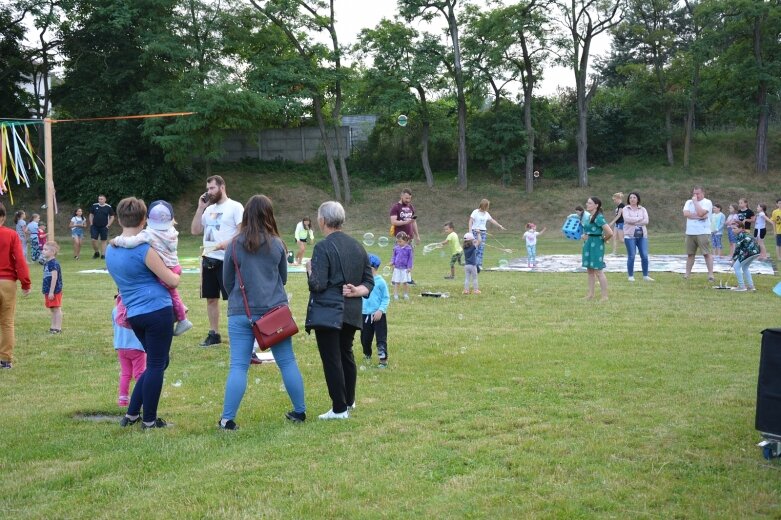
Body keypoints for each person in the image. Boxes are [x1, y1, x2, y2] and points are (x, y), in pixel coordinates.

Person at [219, 194, 306, 430]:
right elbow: (283, 279)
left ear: (246, 214)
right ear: (270, 215)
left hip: (240, 312)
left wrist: (238, 298)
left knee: (238, 366)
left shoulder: (234, 244)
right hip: (273, 314)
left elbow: (226, 282)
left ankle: (227, 419)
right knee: (287, 362)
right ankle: (300, 411)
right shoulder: (277, 244)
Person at [106, 197, 180, 429]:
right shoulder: (144, 249)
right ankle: (149, 420)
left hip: (134, 314)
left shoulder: (111, 248)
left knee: (158, 362)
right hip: (157, 311)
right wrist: (177, 273)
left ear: (118, 219)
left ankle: (131, 414)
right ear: (144, 219)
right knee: (157, 364)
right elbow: (172, 281)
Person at [305, 201, 373, 420]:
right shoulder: (358, 246)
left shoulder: (323, 247)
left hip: (329, 311)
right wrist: (356, 291)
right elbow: (368, 282)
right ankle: (349, 401)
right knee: (346, 352)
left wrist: (310, 270)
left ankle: (339, 408)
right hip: (352, 309)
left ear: (323, 220)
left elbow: (318, 284)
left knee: (332, 357)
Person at [112, 200, 193, 336]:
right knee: (171, 291)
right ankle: (180, 309)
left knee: (170, 291)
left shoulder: (148, 235)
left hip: (166, 269)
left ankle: (182, 317)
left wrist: (116, 240)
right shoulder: (172, 232)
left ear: (147, 219)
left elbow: (131, 242)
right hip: (174, 266)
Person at [190, 175, 244, 347]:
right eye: (207, 189)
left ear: (222, 187)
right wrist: (200, 208)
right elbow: (195, 230)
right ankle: (214, 334)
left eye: (212, 188)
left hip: (227, 260)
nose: (209, 192)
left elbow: (241, 232)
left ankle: (238, 333)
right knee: (211, 298)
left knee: (233, 298)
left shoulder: (235, 207)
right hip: (208, 258)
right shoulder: (208, 209)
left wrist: (226, 244)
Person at [0, 203, 32, 369]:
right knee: (6, 322)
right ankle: (5, 359)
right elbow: (20, 260)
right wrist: (25, 282)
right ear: (4, 217)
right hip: (6, 282)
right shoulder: (11, 235)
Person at [113, 296, 146, 407]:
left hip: (121, 346)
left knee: (125, 374)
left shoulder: (116, 310)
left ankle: (123, 400)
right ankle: (141, 399)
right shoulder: (137, 309)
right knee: (139, 374)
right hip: (137, 347)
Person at [361, 254, 390, 368]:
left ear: (371, 268)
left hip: (378, 315)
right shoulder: (362, 281)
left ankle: (383, 360)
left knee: (381, 339)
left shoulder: (380, 282)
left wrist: (380, 310)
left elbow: (386, 298)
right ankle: (367, 354)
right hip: (364, 314)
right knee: (365, 338)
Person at [582, 197, 613, 301]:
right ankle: (590, 294)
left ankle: (605, 296)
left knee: (598, 271)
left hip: (596, 244)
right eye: (587, 202)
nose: (587, 204)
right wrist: (585, 235)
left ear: (596, 205)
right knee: (590, 270)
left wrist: (603, 240)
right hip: (588, 244)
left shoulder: (599, 217)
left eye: (589, 203)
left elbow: (610, 232)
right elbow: (588, 230)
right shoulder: (588, 217)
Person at [682, 186, 715, 281]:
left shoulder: (707, 202)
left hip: (703, 232)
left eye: (697, 193)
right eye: (694, 193)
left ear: (702, 193)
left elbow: (701, 213)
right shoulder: (688, 202)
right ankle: (687, 274)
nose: (695, 195)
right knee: (690, 254)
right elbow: (686, 214)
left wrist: (696, 203)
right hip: (690, 232)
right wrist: (699, 217)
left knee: (706, 253)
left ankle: (710, 274)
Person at [622, 192, 653, 282]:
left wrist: (634, 222)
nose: (632, 199)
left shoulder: (642, 209)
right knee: (631, 255)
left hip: (642, 235)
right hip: (629, 235)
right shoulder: (625, 209)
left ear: (638, 199)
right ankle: (631, 276)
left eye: (634, 197)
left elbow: (646, 221)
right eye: (630, 197)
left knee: (644, 255)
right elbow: (627, 219)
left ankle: (645, 276)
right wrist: (639, 219)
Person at [468, 199, 506, 271]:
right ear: (483, 205)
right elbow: (470, 221)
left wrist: (499, 226)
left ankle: (479, 265)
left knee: (481, 249)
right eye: (487, 205)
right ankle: (473, 264)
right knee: (475, 249)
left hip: (483, 233)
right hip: (475, 232)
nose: (488, 207)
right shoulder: (475, 212)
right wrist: (470, 232)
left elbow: (492, 220)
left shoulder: (486, 214)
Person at [729, 220, 760, 292]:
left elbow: (738, 249)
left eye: (734, 228)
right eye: (732, 228)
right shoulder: (744, 234)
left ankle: (741, 286)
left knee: (736, 266)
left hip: (748, 252)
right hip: (755, 252)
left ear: (741, 228)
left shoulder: (740, 235)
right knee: (745, 267)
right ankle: (751, 286)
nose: (732, 230)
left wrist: (734, 259)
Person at [41, 241, 63, 334]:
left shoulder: (53, 264)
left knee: (56, 308)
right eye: (43, 249)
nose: (43, 251)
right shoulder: (47, 263)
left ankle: (58, 328)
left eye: (45, 249)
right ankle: (53, 326)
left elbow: (54, 278)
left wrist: (51, 291)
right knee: (52, 308)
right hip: (48, 289)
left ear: (53, 252)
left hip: (54, 291)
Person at [89, 194, 115, 259]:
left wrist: (108, 225)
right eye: (99, 199)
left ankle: (103, 255)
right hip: (94, 226)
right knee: (93, 240)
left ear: (105, 200)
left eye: (101, 199)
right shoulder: (94, 205)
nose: (100, 200)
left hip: (104, 227)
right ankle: (96, 252)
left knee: (103, 240)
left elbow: (112, 216)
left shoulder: (108, 207)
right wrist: (91, 223)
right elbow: (91, 214)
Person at [390, 231, 413, 300]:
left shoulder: (408, 249)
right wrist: (392, 262)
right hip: (397, 268)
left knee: (405, 282)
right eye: (397, 241)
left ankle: (405, 294)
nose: (398, 243)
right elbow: (394, 256)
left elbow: (410, 259)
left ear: (405, 241)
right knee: (396, 282)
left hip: (405, 269)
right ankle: (395, 295)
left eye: (400, 241)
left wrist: (409, 267)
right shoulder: (396, 248)